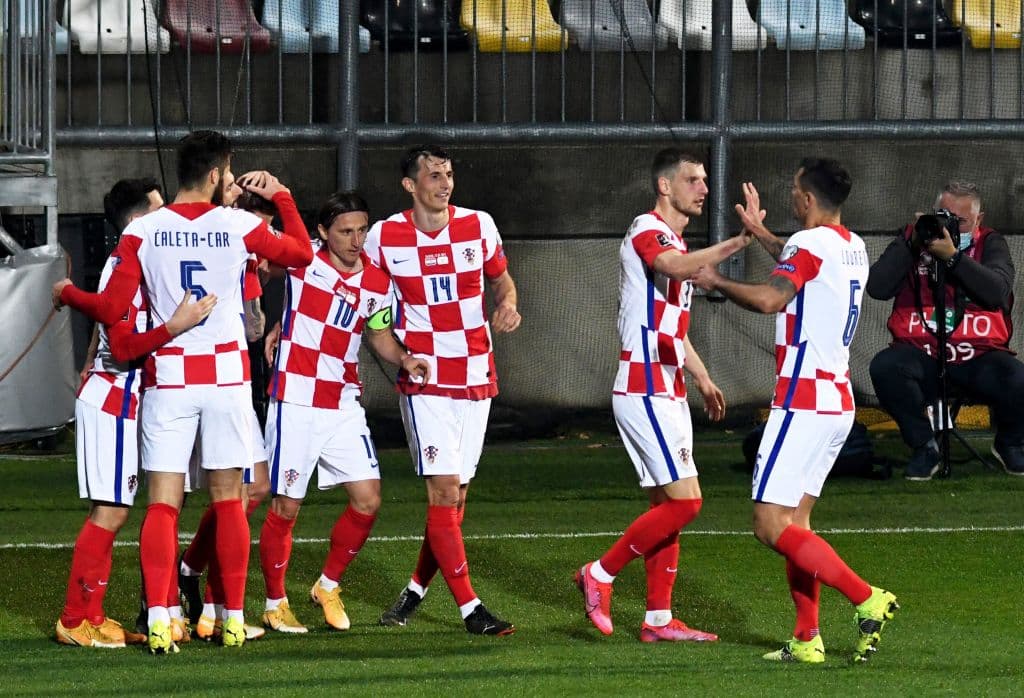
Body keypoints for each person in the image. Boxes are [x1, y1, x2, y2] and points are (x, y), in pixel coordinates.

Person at [53, 130, 314, 653]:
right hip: (226, 379)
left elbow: (111, 310)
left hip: (169, 379)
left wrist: (66, 293)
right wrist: (282, 195)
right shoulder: (237, 223)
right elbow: (302, 254)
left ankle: (159, 617)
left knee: (163, 505)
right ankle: (231, 619)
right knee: (229, 500)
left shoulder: (143, 230)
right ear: (216, 173)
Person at [691, 158, 899, 664]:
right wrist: (761, 233)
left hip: (802, 402)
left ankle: (866, 597)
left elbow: (770, 299)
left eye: (793, 188)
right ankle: (807, 639)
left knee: (769, 524)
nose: (790, 195)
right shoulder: (852, 245)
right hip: (836, 401)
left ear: (806, 199)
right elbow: (803, 263)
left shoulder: (808, 245)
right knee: (796, 524)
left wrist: (716, 281)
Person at [574, 148, 751, 643]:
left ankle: (657, 620)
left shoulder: (675, 240)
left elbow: (673, 327)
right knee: (686, 503)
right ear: (665, 186)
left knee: (665, 508)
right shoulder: (646, 228)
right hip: (643, 386)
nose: (704, 188)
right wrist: (738, 241)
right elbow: (673, 266)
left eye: (705, 180)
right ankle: (599, 573)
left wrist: (702, 377)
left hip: (667, 386)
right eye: (693, 179)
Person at [256, 191, 430, 634]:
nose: (356, 240)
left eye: (362, 230)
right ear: (322, 232)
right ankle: (275, 602)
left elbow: (378, 333)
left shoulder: (377, 282)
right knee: (286, 506)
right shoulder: (303, 260)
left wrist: (404, 358)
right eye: (345, 231)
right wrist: (275, 321)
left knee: (368, 499)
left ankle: (327, 585)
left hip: (342, 403)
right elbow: (261, 263)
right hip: (295, 399)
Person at [366, 145, 520, 636]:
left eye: (449, 174)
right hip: (426, 381)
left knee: (455, 502)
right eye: (434, 176)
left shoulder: (479, 225)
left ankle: (414, 590)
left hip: (477, 375)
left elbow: (503, 282)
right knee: (444, 491)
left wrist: (508, 305)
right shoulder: (384, 236)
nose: (445, 183)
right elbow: (374, 315)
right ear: (410, 185)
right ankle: (471, 610)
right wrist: (399, 356)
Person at [56, 178, 215, 648]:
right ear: (139, 220)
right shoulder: (123, 264)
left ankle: (94, 613)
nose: (169, 217)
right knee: (109, 512)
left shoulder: (142, 262)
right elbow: (124, 346)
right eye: (159, 210)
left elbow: (107, 322)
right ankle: (73, 619)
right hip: (112, 401)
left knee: (117, 511)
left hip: (129, 401)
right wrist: (175, 326)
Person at [866, 181, 1024, 480]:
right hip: (922, 355)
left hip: (978, 357)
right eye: (944, 216)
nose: (950, 226)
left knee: (1017, 378)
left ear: (978, 220)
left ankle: (1010, 444)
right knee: (886, 367)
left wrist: (953, 257)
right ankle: (924, 446)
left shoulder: (991, 243)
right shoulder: (912, 239)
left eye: (960, 221)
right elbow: (877, 287)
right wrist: (913, 242)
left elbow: (997, 293)